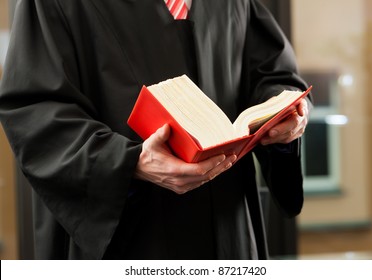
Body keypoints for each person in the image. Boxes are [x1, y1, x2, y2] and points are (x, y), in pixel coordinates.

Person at [0, 0, 311, 260]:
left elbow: (271, 71)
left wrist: (283, 110)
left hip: (230, 229)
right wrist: (129, 161)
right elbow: (35, 107)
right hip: (130, 236)